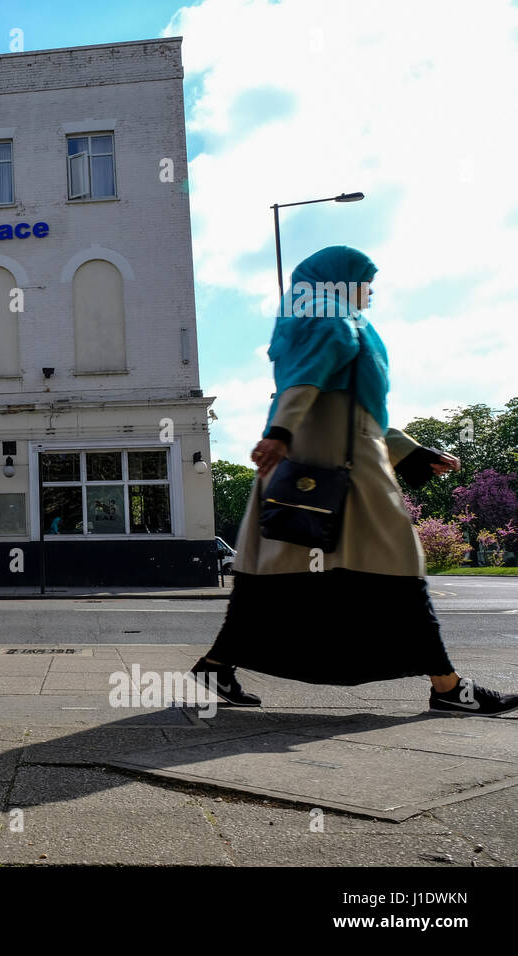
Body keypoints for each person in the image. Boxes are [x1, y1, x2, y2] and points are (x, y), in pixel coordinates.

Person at [191, 245, 518, 716]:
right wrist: (280, 433)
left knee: (273, 581)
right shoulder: (326, 316)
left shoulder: (326, 319)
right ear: (335, 282)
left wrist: (411, 451)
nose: (369, 291)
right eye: (363, 281)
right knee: (399, 574)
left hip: (318, 473)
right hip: (335, 477)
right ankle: (447, 687)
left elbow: (358, 410)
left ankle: (217, 664)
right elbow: (305, 381)